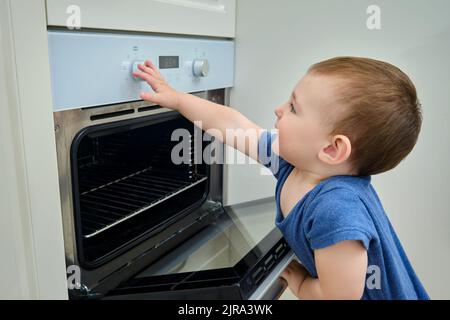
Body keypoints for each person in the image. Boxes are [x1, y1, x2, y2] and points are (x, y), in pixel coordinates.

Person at [133, 56, 429, 300]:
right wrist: (178, 99)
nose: (279, 109)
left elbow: (338, 297)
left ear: (331, 148)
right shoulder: (295, 163)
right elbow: (234, 125)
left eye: (293, 108)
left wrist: (299, 282)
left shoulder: (337, 210)